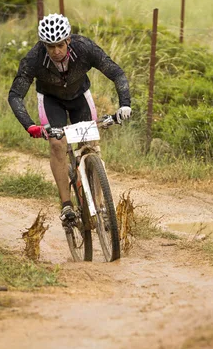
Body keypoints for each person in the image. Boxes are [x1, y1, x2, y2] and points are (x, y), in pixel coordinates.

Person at [8, 13, 132, 222]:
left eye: (60, 45)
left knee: (90, 144)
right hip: (50, 100)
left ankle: (100, 206)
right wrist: (30, 126)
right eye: (50, 46)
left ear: (68, 40)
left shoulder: (84, 48)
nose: (56, 51)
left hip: (79, 97)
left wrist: (125, 105)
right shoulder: (33, 59)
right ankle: (66, 206)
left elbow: (117, 73)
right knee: (57, 144)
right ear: (43, 45)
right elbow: (15, 95)